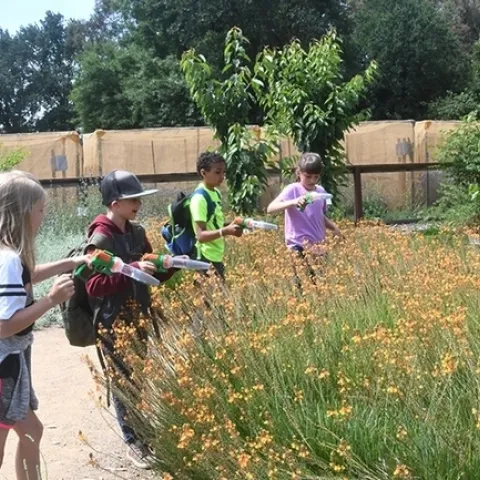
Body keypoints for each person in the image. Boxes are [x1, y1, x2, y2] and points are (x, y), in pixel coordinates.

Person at [84, 170, 176, 469]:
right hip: (114, 322)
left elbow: (150, 269)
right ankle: (133, 441)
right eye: (131, 198)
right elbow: (93, 286)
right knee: (123, 380)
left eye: (138, 197)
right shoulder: (100, 236)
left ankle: (142, 432)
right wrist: (130, 271)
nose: (138, 203)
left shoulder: (136, 232)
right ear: (114, 202)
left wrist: (173, 264)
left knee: (138, 378)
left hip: (138, 316)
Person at [0, 171, 87, 480]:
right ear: (24, 213)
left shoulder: (9, 257)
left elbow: (28, 275)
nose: (43, 216)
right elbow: (4, 326)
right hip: (3, 364)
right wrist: (51, 300)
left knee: (31, 431)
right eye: (40, 210)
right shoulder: (8, 260)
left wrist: (71, 263)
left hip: (10, 361)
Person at [267, 152, 341, 257]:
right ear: (299, 173)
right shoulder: (293, 189)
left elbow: (319, 215)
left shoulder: (320, 191)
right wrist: (293, 202)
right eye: (308, 176)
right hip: (298, 245)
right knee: (302, 272)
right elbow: (270, 208)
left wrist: (334, 228)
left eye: (316, 177)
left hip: (318, 246)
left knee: (320, 273)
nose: (312, 180)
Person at [189, 152, 242, 280]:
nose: (222, 177)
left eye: (224, 172)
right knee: (213, 298)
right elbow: (200, 236)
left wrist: (232, 225)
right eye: (217, 172)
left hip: (216, 256)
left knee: (219, 299)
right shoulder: (199, 198)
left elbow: (214, 224)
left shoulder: (215, 193)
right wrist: (225, 231)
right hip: (205, 258)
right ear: (203, 173)